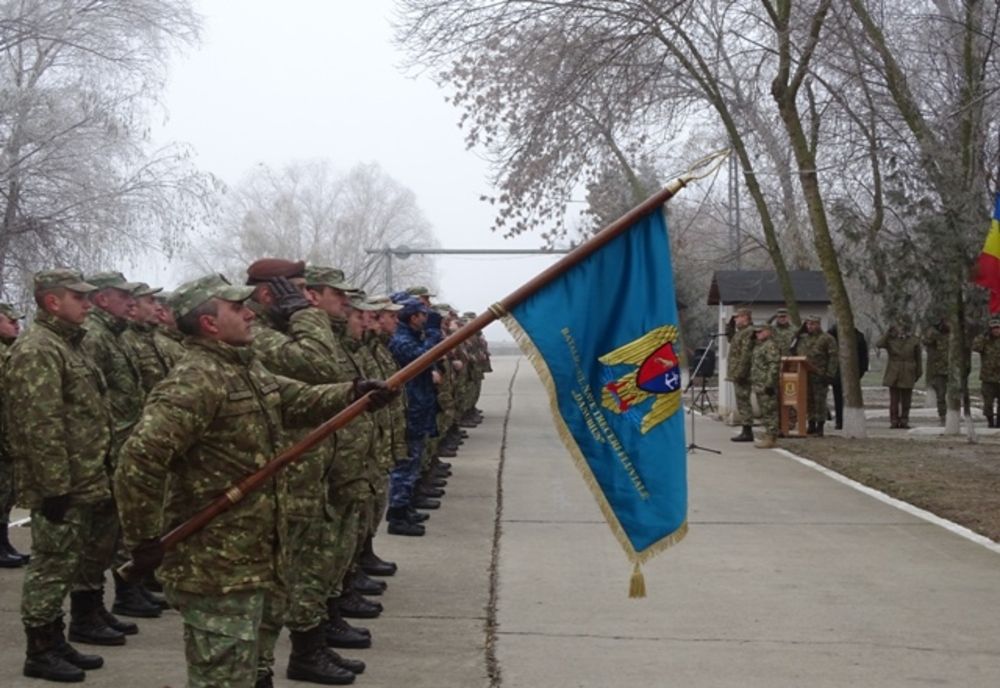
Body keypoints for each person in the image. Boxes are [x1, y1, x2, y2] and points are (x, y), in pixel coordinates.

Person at [114, 274, 393, 688]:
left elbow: (296, 399)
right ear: (209, 324)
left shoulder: (243, 368)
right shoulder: (195, 379)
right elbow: (139, 459)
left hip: (258, 551)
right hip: (217, 563)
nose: (249, 315)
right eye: (237, 308)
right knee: (222, 676)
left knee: (253, 666)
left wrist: (354, 393)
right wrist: (143, 538)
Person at [245, 259, 368, 684]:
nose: (307, 299)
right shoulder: (258, 334)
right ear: (268, 294)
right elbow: (320, 368)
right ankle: (266, 668)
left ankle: (308, 649)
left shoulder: (284, 329)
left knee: (308, 569)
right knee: (277, 584)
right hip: (282, 478)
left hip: (309, 473)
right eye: (298, 291)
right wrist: (306, 314)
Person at [4, 269, 110, 682]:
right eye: (78, 298)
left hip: (80, 477)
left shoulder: (67, 344)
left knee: (66, 563)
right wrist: (54, 487)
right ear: (52, 302)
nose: (87, 304)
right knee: (50, 566)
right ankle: (40, 650)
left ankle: (55, 637)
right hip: (60, 483)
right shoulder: (38, 349)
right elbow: (40, 423)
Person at [387, 295, 444, 532]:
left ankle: (406, 505)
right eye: (423, 315)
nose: (425, 320)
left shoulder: (412, 336)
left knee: (414, 460)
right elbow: (422, 358)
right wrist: (433, 333)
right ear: (413, 317)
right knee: (406, 462)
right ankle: (397, 514)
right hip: (410, 408)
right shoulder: (401, 340)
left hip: (419, 406)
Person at [0, 302, 28, 568]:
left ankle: (3, 543)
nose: (17, 327)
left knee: (6, 494)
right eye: (11, 322)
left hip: (8, 436)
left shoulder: (10, 351)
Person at [794, 315, 838, 436]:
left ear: (818, 324)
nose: (810, 327)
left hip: (820, 374)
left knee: (819, 401)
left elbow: (833, 357)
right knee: (808, 400)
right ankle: (811, 423)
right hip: (805, 374)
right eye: (808, 324)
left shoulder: (827, 338)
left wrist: (830, 374)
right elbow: (793, 349)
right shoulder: (803, 338)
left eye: (812, 324)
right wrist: (799, 332)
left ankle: (820, 426)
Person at [876, 321, 923, 429]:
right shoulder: (890, 339)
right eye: (898, 328)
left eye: (902, 328)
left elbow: (918, 358)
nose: (900, 330)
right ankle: (894, 420)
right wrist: (888, 333)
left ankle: (904, 420)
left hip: (908, 371)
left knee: (906, 400)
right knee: (894, 400)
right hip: (894, 371)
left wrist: (918, 373)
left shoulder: (914, 340)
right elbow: (879, 344)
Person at [828, 322, 869, 430]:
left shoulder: (858, 336)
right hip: (837, 372)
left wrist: (862, 371)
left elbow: (863, 355)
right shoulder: (831, 336)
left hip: (853, 372)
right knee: (838, 398)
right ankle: (840, 421)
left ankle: (851, 421)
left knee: (852, 398)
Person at [725, 307, 755, 441]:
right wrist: (730, 325)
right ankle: (746, 429)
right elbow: (730, 339)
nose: (735, 319)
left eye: (737, 317)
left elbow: (745, 354)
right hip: (737, 371)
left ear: (745, 317)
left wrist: (741, 372)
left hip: (743, 373)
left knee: (743, 400)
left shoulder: (748, 332)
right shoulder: (740, 332)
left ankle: (747, 431)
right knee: (741, 401)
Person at [750, 323, 781, 448]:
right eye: (756, 332)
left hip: (766, 384)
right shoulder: (760, 346)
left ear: (768, 331)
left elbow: (774, 366)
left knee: (770, 411)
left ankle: (771, 437)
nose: (758, 334)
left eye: (760, 331)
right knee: (764, 411)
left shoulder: (770, 346)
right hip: (759, 383)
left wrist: (769, 384)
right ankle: (768, 434)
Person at [971, 318, 1000, 427]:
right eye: (994, 328)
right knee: (988, 403)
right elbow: (975, 347)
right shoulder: (985, 340)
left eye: (998, 328)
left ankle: (999, 424)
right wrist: (983, 336)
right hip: (988, 378)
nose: (996, 330)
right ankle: (990, 422)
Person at [922, 319, 950, 425]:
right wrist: (933, 331)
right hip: (939, 371)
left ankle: (953, 415)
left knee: (954, 395)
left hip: (952, 370)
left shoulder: (954, 337)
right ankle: (943, 417)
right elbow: (925, 341)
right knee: (941, 395)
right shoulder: (935, 336)